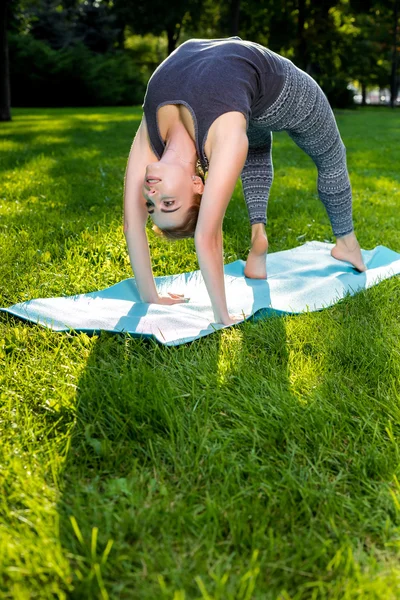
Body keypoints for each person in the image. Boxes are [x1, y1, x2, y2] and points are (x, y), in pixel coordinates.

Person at [123, 37, 366, 326]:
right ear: (196, 184)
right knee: (319, 153)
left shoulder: (153, 129)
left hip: (265, 89)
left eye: (153, 205)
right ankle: (340, 243)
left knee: (295, 151)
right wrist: (221, 316)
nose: (151, 194)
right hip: (272, 93)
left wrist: (151, 297)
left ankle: (321, 241)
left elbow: (131, 223)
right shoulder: (223, 135)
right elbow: (207, 236)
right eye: (168, 203)